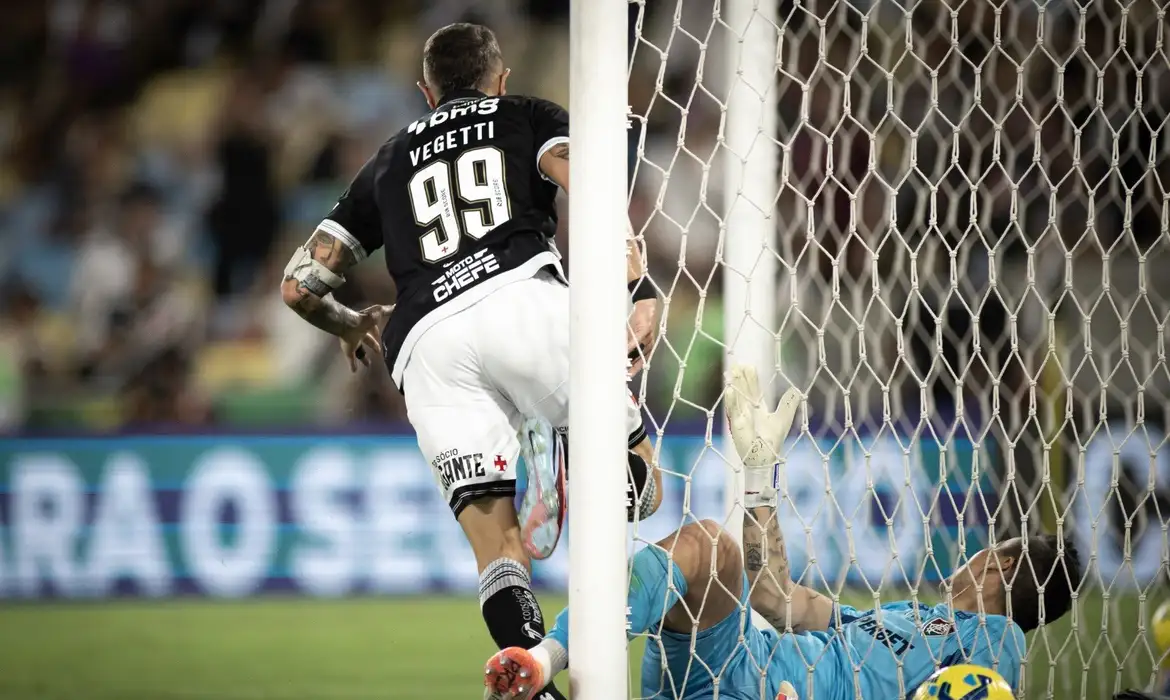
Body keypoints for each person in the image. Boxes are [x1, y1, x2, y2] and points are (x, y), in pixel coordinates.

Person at [279, 23, 662, 700]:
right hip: (522, 299)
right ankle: (569, 465)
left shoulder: (387, 160)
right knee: (644, 486)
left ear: (425, 92)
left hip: (427, 342)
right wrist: (637, 285)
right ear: (500, 79)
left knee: (497, 551)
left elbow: (299, 285)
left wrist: (350, 323)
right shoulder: (524, 114)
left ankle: (536, 684)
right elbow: (590, 183)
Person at [484, 364, 1082, 700]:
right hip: (730, 660)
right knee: (707, 546)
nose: (976, 554)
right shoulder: (909, 618)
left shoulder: (999, 638)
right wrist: (759, 477)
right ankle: (545, 659)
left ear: (1003, 563)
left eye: (993, 548)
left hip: (780, 693)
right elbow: (775, 597)